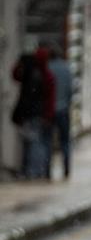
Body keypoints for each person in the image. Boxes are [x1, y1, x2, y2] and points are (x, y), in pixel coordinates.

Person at [10, 46, 55, 179]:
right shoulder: (44, 75)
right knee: (34, 143)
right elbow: (49, 97)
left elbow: (15, 76)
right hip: (35, 114)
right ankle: (34, 171)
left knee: (30, 143)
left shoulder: (32, 73)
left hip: (30, 114)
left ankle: (31, 170)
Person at [46, 43, 73, 179]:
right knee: (65, 141)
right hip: (63, 110)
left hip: (50, 111)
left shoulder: (48, 68)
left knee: (48, 141)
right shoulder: (66, 68)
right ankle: (66, 169)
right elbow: (70, 90)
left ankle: (47, 171)